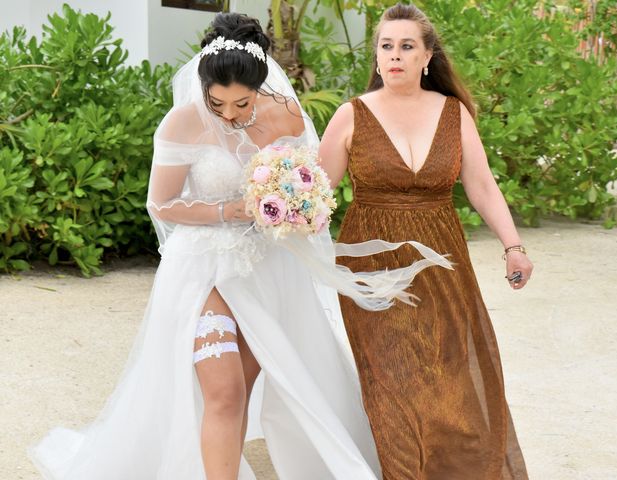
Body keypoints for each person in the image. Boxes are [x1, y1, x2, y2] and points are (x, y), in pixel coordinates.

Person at [30, 13, 402, 480]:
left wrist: (299, 206)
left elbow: (310, 185)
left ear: (260, 85)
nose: (229, 114)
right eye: (218, 102)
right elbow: (162, 203)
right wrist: (234, 211)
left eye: (242, 103)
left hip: (268, 270)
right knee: (222, 389)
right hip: (204, 267)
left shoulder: (287, 114)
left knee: (239, 391)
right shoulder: (183, 122)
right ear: (203, 88)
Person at [319, 3, 532, 479]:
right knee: (393, 376)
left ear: (427, 56)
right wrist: (278, 216)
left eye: (407, 46)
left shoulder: (453, 114)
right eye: (386, 46)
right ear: (377, 57)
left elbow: (480, 186)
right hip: (371, 265)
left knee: (448, 372)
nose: (395, 55)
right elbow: (318, 194)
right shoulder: (350, 115)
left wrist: (513, 245)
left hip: (441, 260)